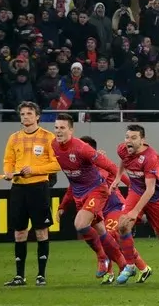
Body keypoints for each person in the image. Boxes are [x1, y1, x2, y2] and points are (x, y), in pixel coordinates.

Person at [50, 115, 131, 284]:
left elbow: (110, 166)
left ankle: (102, 257)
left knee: (80, 224)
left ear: (71, 130)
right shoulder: (54, 146)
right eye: (56, 127)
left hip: (96, 190)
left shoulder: (82, 149)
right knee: (101, 231)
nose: (58, 131)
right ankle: (124, 265)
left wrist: (130, 185)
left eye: (62, 128)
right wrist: (63, 205)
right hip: (80, 194)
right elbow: (71, 181)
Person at [112, 125, 159, 286]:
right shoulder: (122, 149)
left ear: (142, 140)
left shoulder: (151, 157)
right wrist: (118, 177)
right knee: (123, 226)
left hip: (156, 198)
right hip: (136, 191)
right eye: (127, 137)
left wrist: (135, 212)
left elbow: (150, 189)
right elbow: (123, 160)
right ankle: (130, 266)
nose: (128, 141)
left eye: (133, 138)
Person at [0, 101, 60, 286]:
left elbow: (57, 164)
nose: (25, 117)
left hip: (38, 187)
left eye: (29, 113)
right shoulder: (14, 138)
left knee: (41, 231)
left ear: (37, 116)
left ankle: (41, 275)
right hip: (18, 188)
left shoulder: (48, 137)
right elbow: (8, 160)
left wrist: (34, 170)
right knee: (19, 232)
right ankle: (20, 276)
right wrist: (8, 172)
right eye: (23, 114)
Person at [80, 136, 151, 284]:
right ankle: (117, 272)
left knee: (110, 236)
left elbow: (124, 180)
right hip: (100, 210)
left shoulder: (102, 165)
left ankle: (134, 268)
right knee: (104, 239)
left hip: (115, 207)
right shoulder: (80, 170)